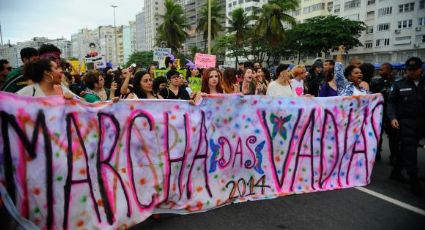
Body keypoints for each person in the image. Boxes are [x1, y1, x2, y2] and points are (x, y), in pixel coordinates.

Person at [387, 57, 425, 196]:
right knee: (410, 148)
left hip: (421, 121)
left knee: (407, 148)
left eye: (414, 69)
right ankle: (414, 179)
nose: (411, 72)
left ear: (421, 69)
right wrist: (393, 118)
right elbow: (391, 102)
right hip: (405, 121)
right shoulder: (399, 84)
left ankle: (396, 172)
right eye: (409, 70)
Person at [370, 63, 400, 163]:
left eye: (382, 70)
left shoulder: (396, 82)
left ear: (389, 71)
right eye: (380, 70)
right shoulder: (376, 82)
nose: (380, 71)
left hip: (390, 113)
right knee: (377, 133)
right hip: (379, 112)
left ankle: (394, 156)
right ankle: (376, 153)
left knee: (393, 135)